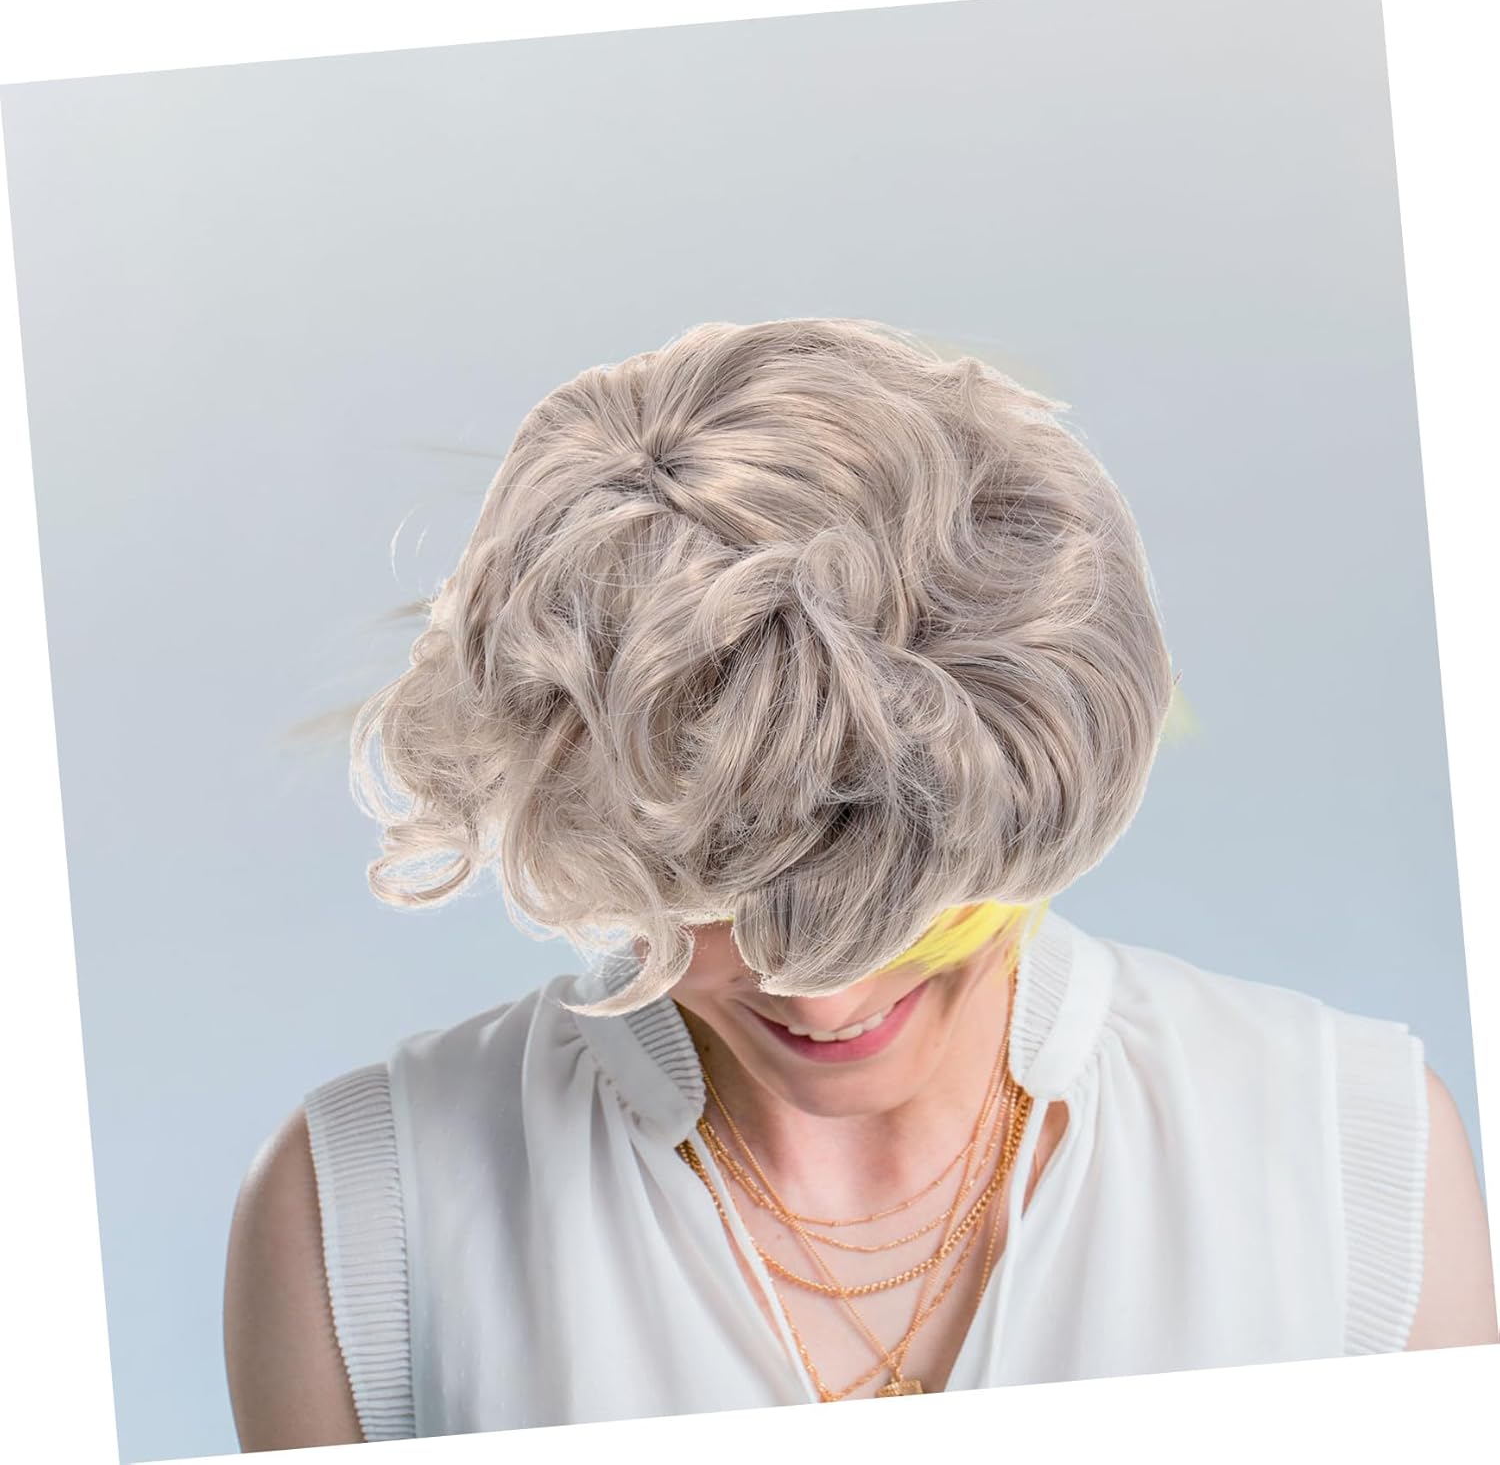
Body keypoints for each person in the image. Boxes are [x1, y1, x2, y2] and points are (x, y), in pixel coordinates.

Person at [222, 318, 1498, 1451]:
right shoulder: (363, 1219)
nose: (823, 995)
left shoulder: (1348, 1152)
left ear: (1041, 798)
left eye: (914, 904)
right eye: (718, 898)